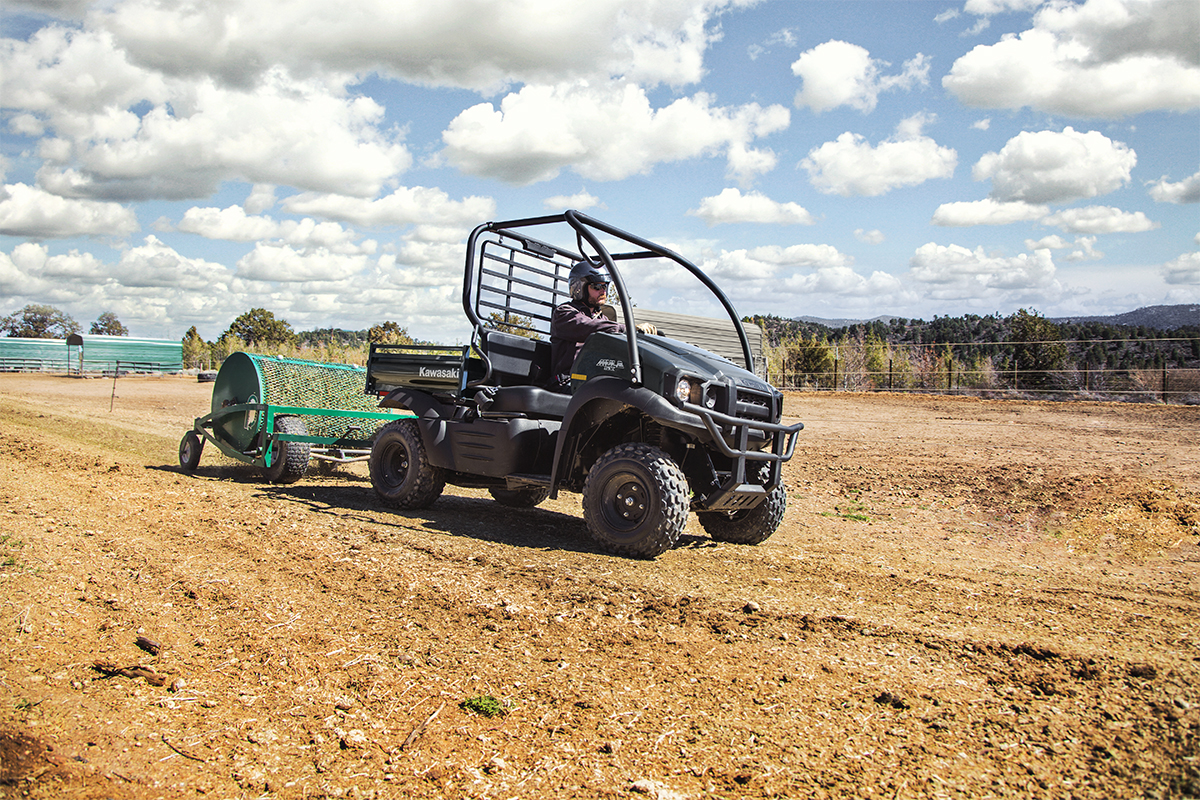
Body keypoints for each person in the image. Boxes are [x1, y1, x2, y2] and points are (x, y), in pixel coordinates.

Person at [549, 261, 655, 391]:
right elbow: (590, 326)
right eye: (597, 287)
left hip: (592, 380)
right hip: (569, 381)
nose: (603, 291)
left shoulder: (602, 318)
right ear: (579, 288)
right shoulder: (565, 313)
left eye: (605, 286)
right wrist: (628, 329)